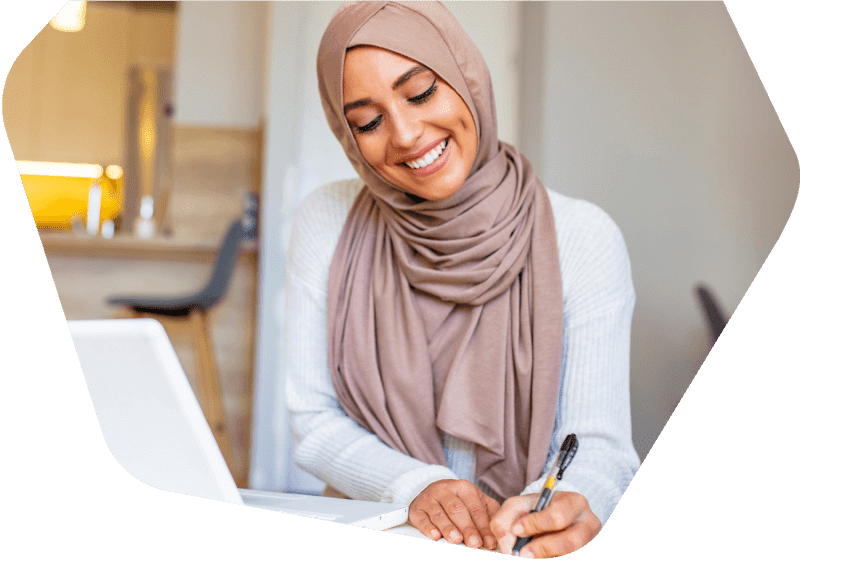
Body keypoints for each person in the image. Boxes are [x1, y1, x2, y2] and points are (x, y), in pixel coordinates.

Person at [285, 1, 640, 558]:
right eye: (368, 122)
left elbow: (599, 449)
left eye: (421, 91)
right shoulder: (325, 222)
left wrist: (566, 502)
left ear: (465, 77)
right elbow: (313, 419)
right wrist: (416, 486)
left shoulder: (583, 237)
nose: (404, 134)